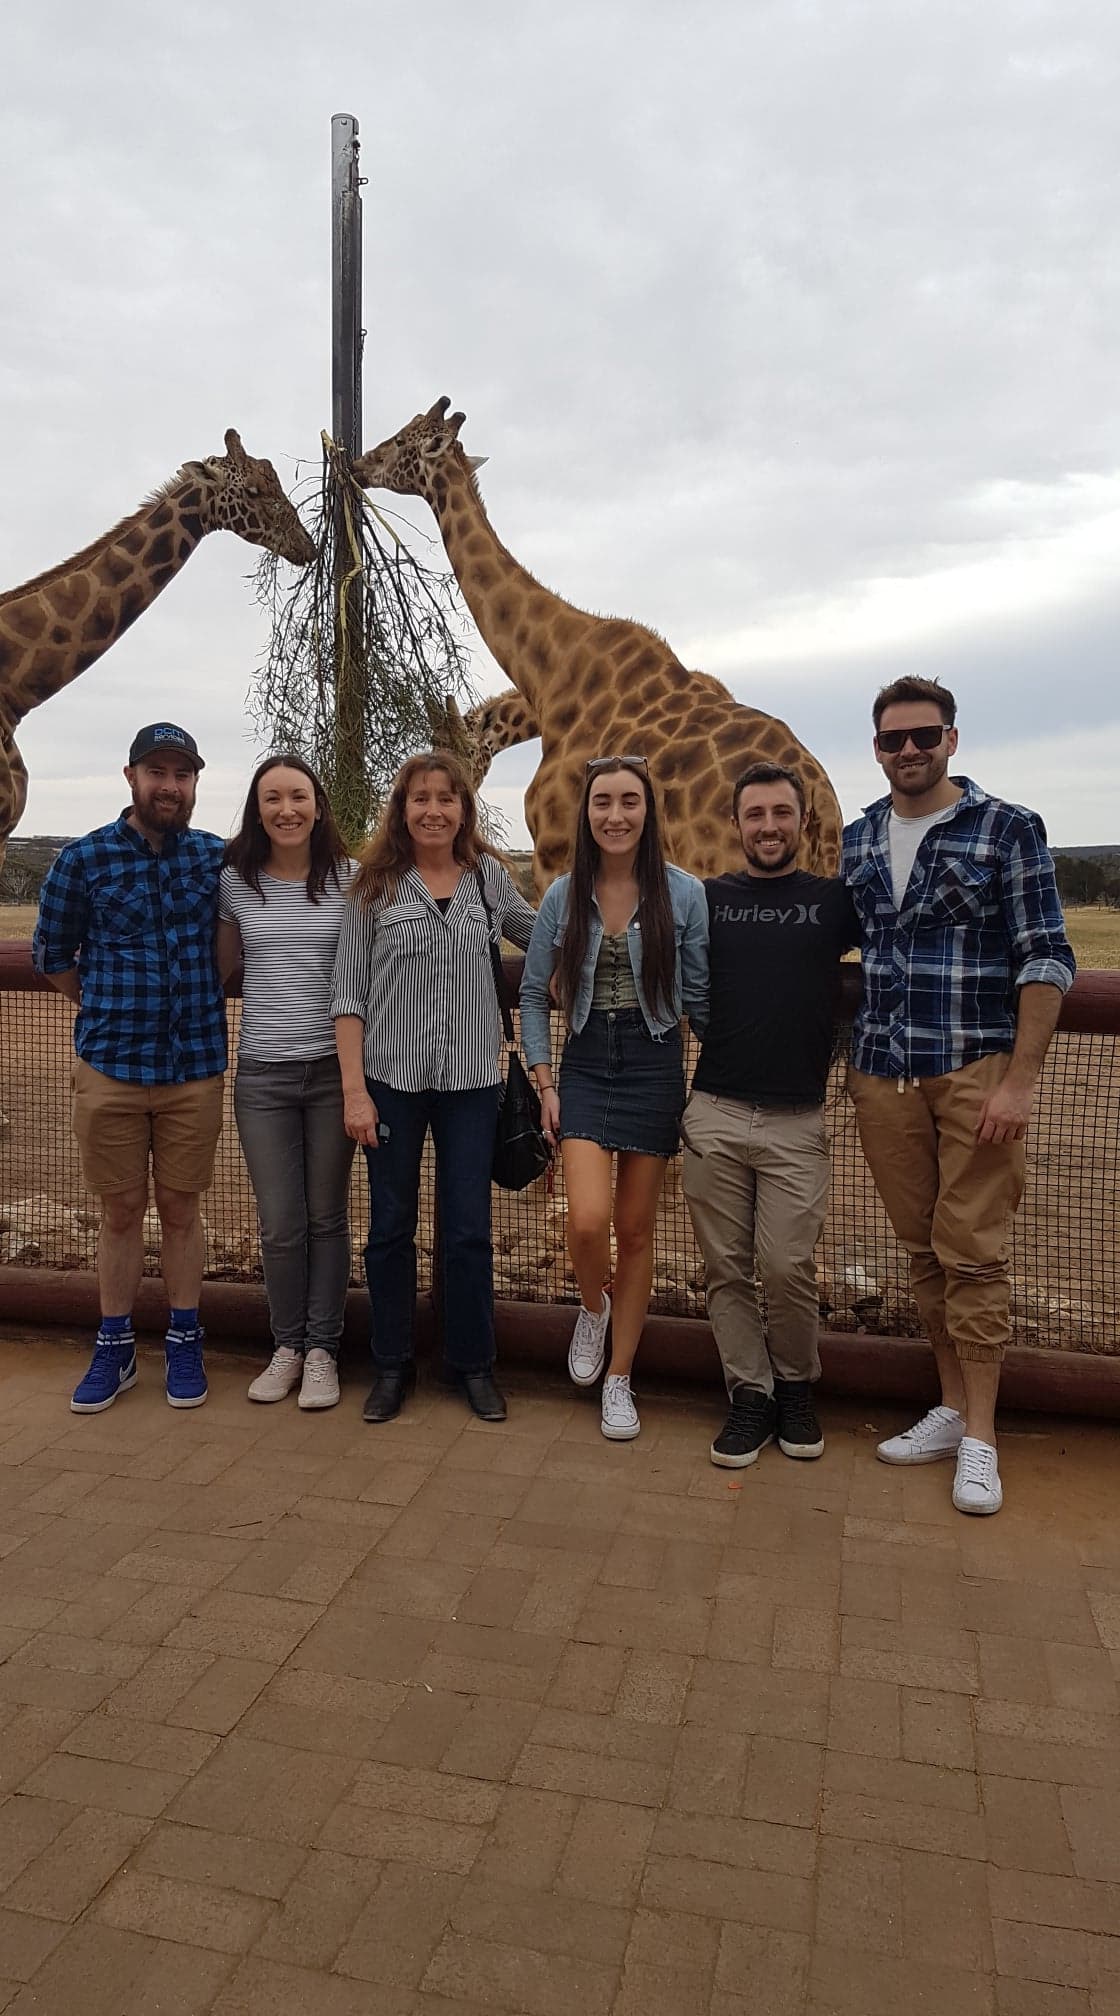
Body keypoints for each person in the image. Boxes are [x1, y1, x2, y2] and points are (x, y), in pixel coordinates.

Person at [844, 676, 1075, 1515]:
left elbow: (1047, 956)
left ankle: (981, 1436)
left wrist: (1019, 1080)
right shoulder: (861, 837)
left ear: (951, 739)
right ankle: (948, 1407)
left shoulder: (1007, 829)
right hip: (882, 1071)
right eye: (894, 740)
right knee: (922, 1250)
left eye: (924, 736)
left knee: (973, 1251)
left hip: (974, 1071)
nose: (910, 751)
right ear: (876, 748)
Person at [330, 751, 537, 1424]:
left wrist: (615, 915)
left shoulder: (487, 882)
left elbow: (543, 936)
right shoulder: (374, 887)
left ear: (464, 810)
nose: (433, 810)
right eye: (420, 798)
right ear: (402, 807)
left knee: (469, 1230)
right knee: (390, 1228)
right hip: (391, 1082)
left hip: (474, 1082)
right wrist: (355, 1093)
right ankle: (391, 1366)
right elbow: (349, 995)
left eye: (447, 798)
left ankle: (471, 1364)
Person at [33, 723, 226, 1413]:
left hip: (194, 1067)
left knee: (180, 1208)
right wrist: (108, 1004)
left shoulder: (214, 859)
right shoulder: (82, 860)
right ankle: (113, 1348)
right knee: (119, 1212)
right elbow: (52, 956)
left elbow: (235, 948)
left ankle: (183, 1338)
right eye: (158, 772)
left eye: (182, 774)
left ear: (195, 784)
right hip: (111, 1067)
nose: (169, 786)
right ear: (131, 778)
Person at [520, 756, 709, 1441]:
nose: (616, 815)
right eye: (604, 801)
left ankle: (621, 1378)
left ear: (648, 811)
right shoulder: (561, 897)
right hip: (587, 1061)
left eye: (630, 801)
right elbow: (533, 995)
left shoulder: (684, 895)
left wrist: (713, 1081)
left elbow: (703, 996)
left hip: (655, 1064)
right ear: (587, 811)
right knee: (585, 1221)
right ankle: (593, 1310)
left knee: (634, 1230)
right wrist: (544, 1081)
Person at [682, 762, 858, 1468]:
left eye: (781, 814)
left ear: (802, 820)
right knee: (725, 1269)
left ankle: (795, 1384)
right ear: (737, 824)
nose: (768, 827)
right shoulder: (707, 899)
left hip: (796, 1121)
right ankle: (749, 1394)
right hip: (716, 1110)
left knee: (787, 1266)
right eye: (755, 815)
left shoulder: (834, 902)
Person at [218, 755, 356, 1412]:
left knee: (327, 1216)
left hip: (335, 1073)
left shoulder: (351, 881)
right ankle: (288, 1345)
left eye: (298, 795)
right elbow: (220, 968)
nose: (287, 809)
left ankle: (325, 1349)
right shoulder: (235, 883)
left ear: (319, 804)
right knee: (280, 1224)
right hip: (263, 1076)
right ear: (258, 807)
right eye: (272, 797)